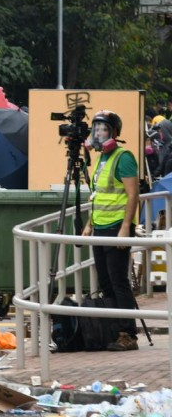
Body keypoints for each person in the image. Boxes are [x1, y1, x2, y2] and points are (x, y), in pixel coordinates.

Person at [81, 110, 140, 351]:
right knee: (105, 281)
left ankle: (128, 334)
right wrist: (89, 224)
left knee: (118, 281)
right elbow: (97, 196)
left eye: (103, 129)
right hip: (100, 227)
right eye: (95, 128)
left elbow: (133, 195)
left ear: (114, 132)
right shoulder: (101, 159)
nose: (98, 133)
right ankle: (113, 329)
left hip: (117, 227)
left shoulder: (123, 157)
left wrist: (125, 228)